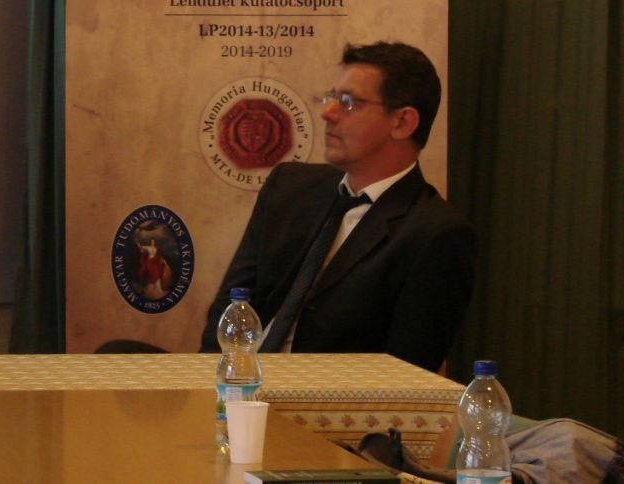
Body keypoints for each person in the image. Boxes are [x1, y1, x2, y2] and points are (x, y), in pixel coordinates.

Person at [200, 41, 475, 372]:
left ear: (402, 122)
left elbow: (407, 377)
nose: (327, 112)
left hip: (330, 401)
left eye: (348, 103)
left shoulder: (435, 234)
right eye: (332, 97)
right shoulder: (288, 188)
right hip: (237, 387)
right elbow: (230, 310)